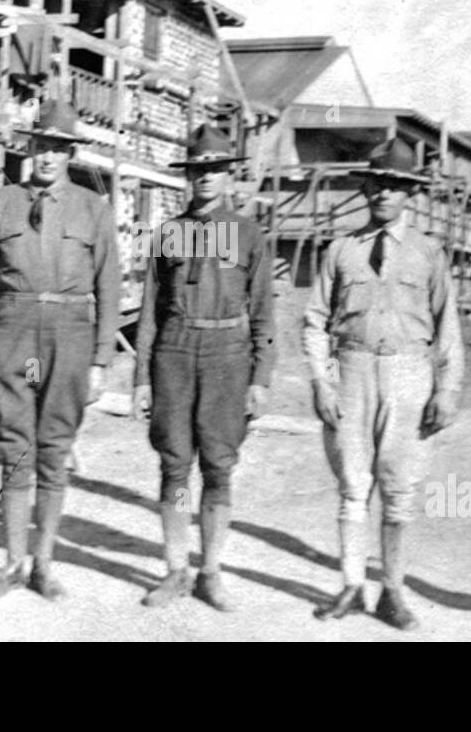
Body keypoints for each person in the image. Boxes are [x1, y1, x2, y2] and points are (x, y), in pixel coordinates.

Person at [301, 138, 464, 630]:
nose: (384, 194)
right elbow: (313, 322)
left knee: (399, 491)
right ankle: (351, 585)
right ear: (365, 187)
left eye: (395, 185)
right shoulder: (340, 250)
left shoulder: (429, 253)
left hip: (409, 374)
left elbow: (447, 327)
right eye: (376, 184)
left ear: (409, 192)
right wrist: (322, 382)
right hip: (351, 371)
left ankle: (393, 591)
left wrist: (447, 388)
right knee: (352, 486)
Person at [0, 99, 120, 601]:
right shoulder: (2, 202)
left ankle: (44, 565)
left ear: (70, 152)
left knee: (53, 449)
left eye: (58, 147)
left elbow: (111, 287)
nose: (48, 156)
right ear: (29, 147)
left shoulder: (94, 209)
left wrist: (100, 360)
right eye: (41, 146)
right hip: (12, 330)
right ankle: (11, 562)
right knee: (16, 446)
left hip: (69, 334)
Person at [132, 124, 275, 611]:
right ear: (187, 176)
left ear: (229, 175)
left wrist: (260, 377)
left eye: (215, 169)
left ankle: (211, 571)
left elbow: (263, 313)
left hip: (227, 354)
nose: (206, 178)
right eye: (198, 170)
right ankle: (176, 569)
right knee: (174, 466)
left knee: (218, 467)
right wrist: (140, 380)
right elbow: (150, 309)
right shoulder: (169, 233)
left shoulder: (249, 233)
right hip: (174, 349)